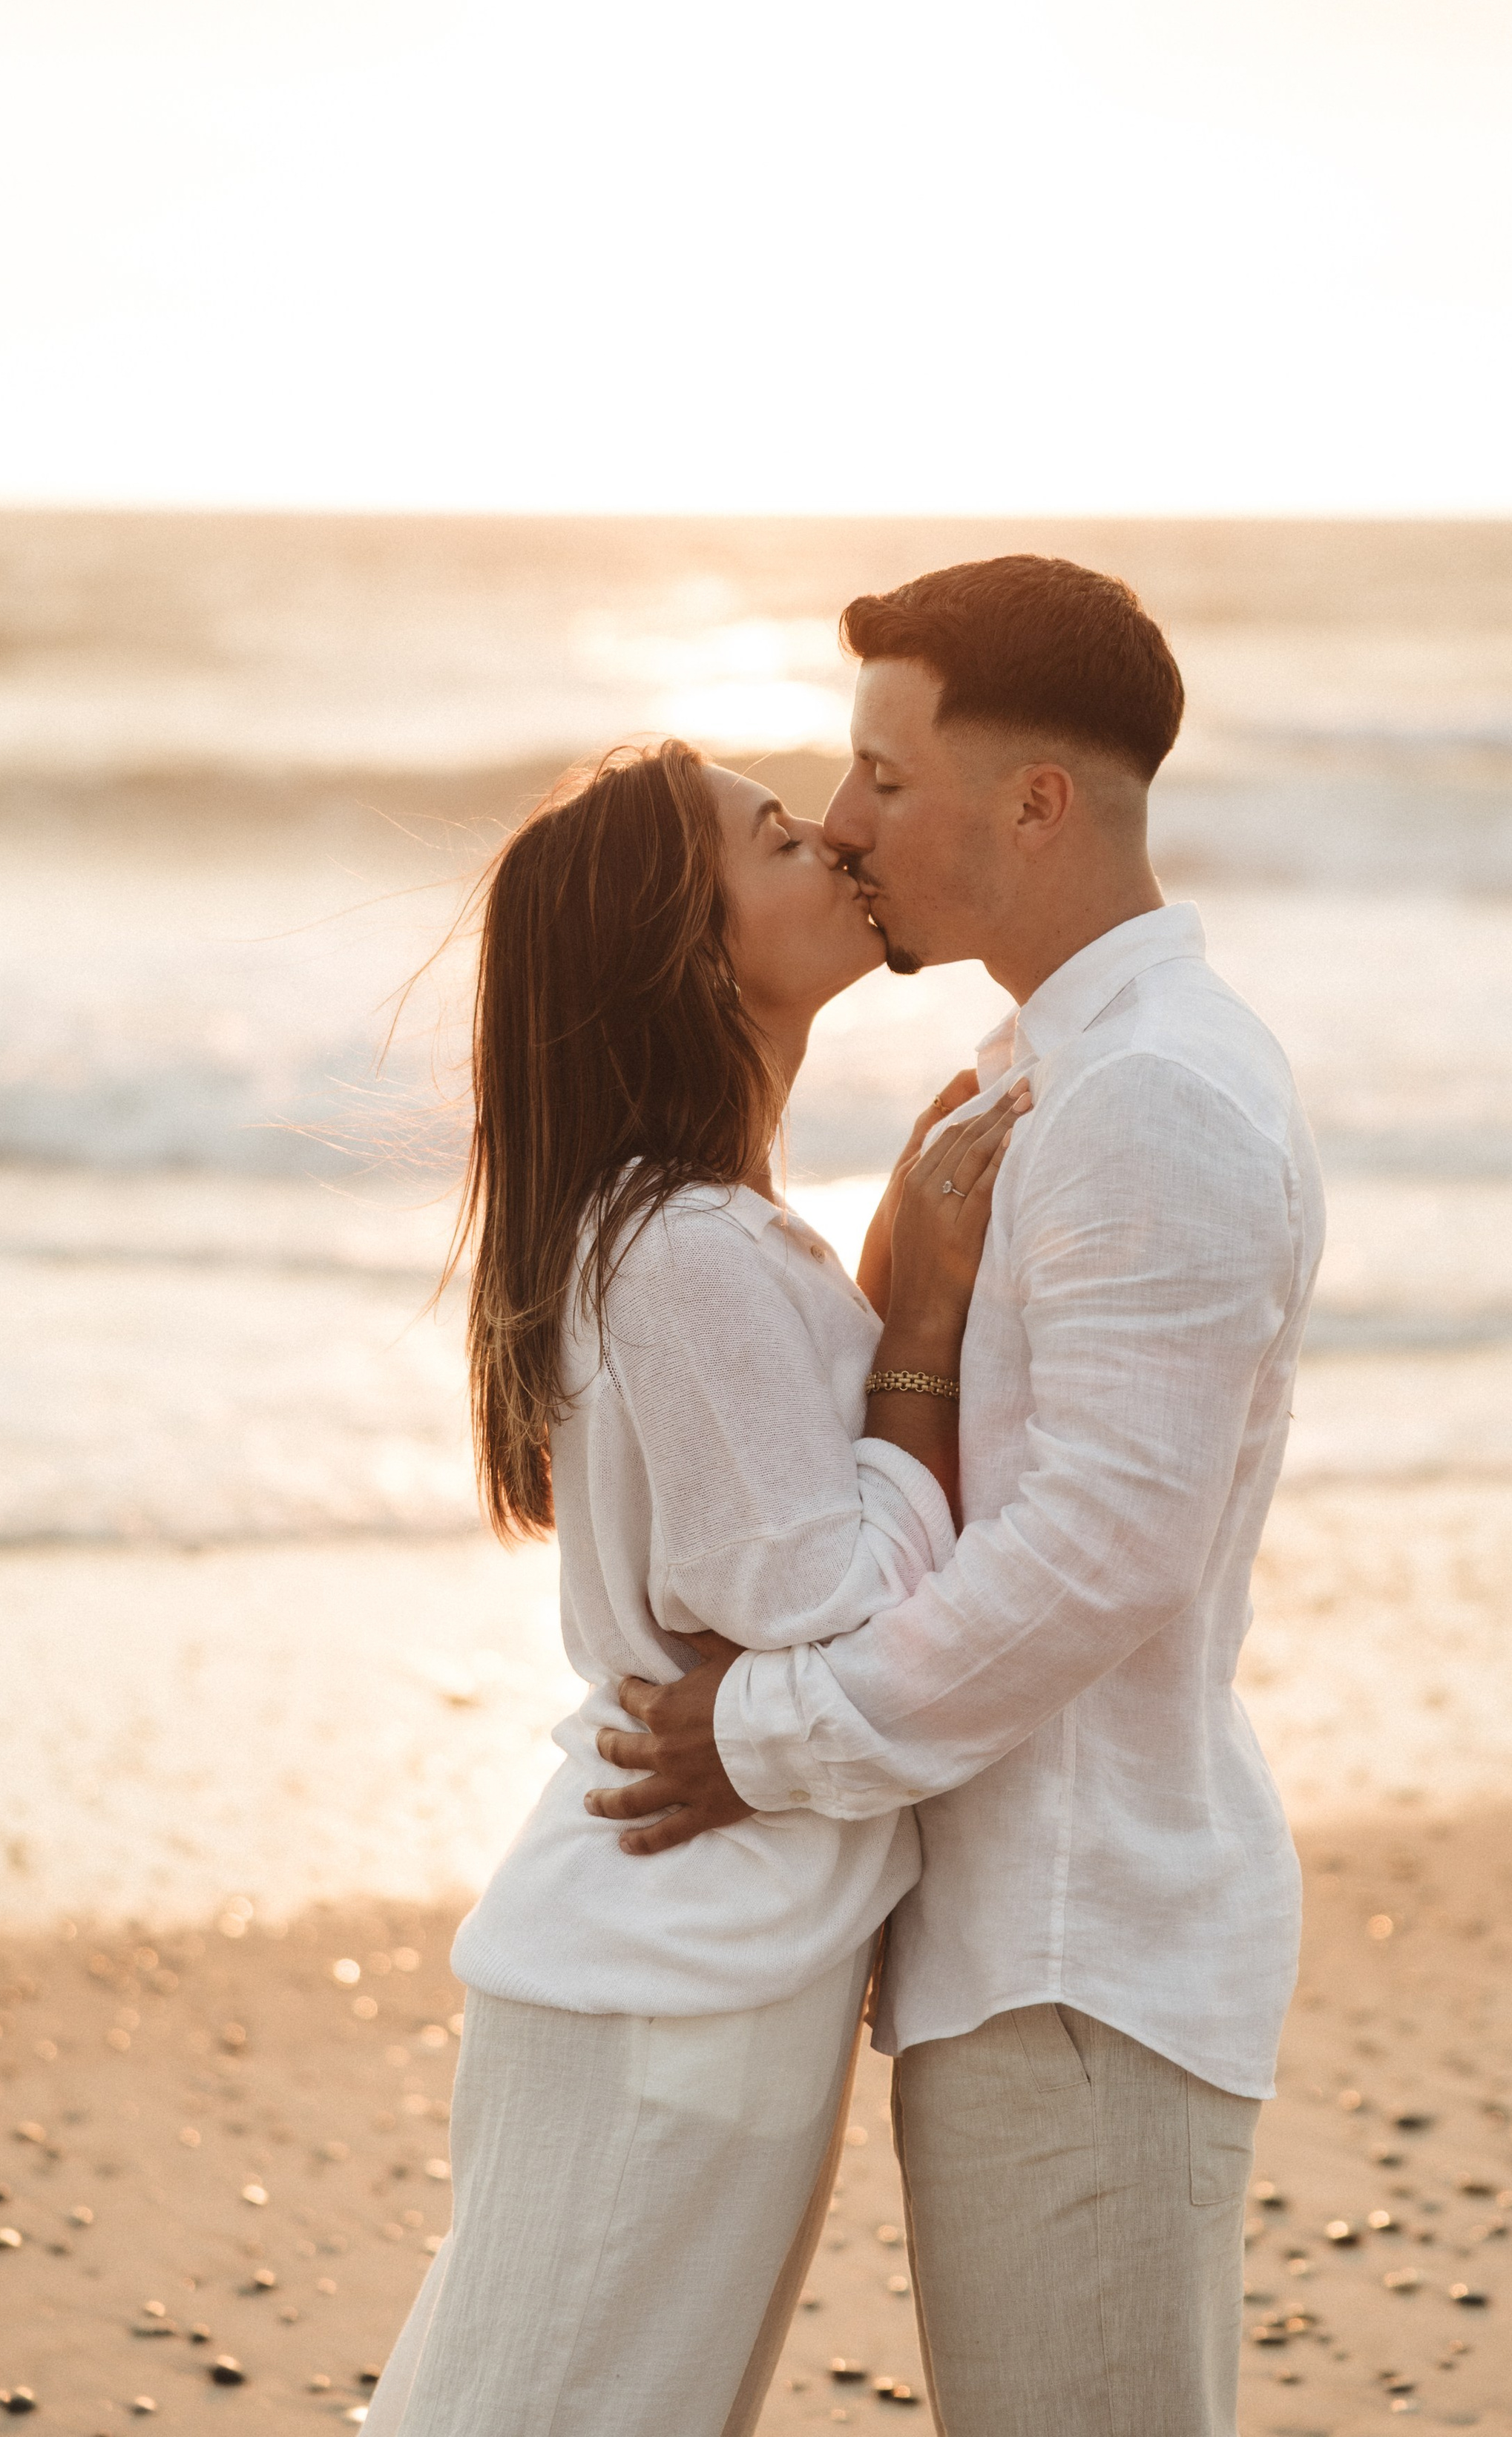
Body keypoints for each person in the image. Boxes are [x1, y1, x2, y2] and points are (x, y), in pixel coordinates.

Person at [586, 556, 1326, 2437]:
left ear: (1035, 803)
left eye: (883, 779)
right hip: (1013, 1939)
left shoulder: (1148, 1096)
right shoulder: (1036, 1071)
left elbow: (1105, 1550)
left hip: (1084, 1946)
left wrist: (774, 1735)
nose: (841, 826)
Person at [362, 737, 1028, 2437]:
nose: (832, 847)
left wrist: (879, 1284)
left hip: (692, 1957)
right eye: (778, 838)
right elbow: (833, 1609)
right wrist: (927, 1333)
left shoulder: (696, 1231)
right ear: (688, 942)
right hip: (669, 1970)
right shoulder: (682, 1249)